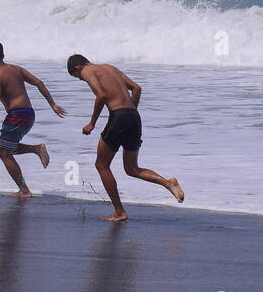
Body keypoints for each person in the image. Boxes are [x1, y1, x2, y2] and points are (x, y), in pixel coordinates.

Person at [66, 54, 184, 221]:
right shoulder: (110, 68)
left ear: (77, 67)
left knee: (101, 165)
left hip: (119, 116)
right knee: (131, 169)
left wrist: (92, 123)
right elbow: (137, 88)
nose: (80, 79)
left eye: (76, 77)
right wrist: (129, 112)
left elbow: (101, 95)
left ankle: (120, 211)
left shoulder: (87, 70)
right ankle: (169, 183)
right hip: (134, 117)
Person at [0, 40, 67, 196]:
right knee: (2, 147)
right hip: (29, 114)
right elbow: (39, 82)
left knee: (4, 153)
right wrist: (52, 104)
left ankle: (24, 190)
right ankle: (36, 149)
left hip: (16, 116)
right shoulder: (16, 69)